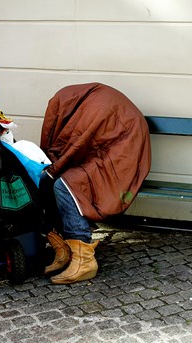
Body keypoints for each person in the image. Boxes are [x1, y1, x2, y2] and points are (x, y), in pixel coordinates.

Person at [39, 83, 151, 284]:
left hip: (123, 158)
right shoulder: (87, 102)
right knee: (50, 181)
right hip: (109, 152)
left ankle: (84, 259)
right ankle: (65, 249)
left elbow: (76, 146)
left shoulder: (93, 108)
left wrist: (52, 170)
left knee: (65, 186)